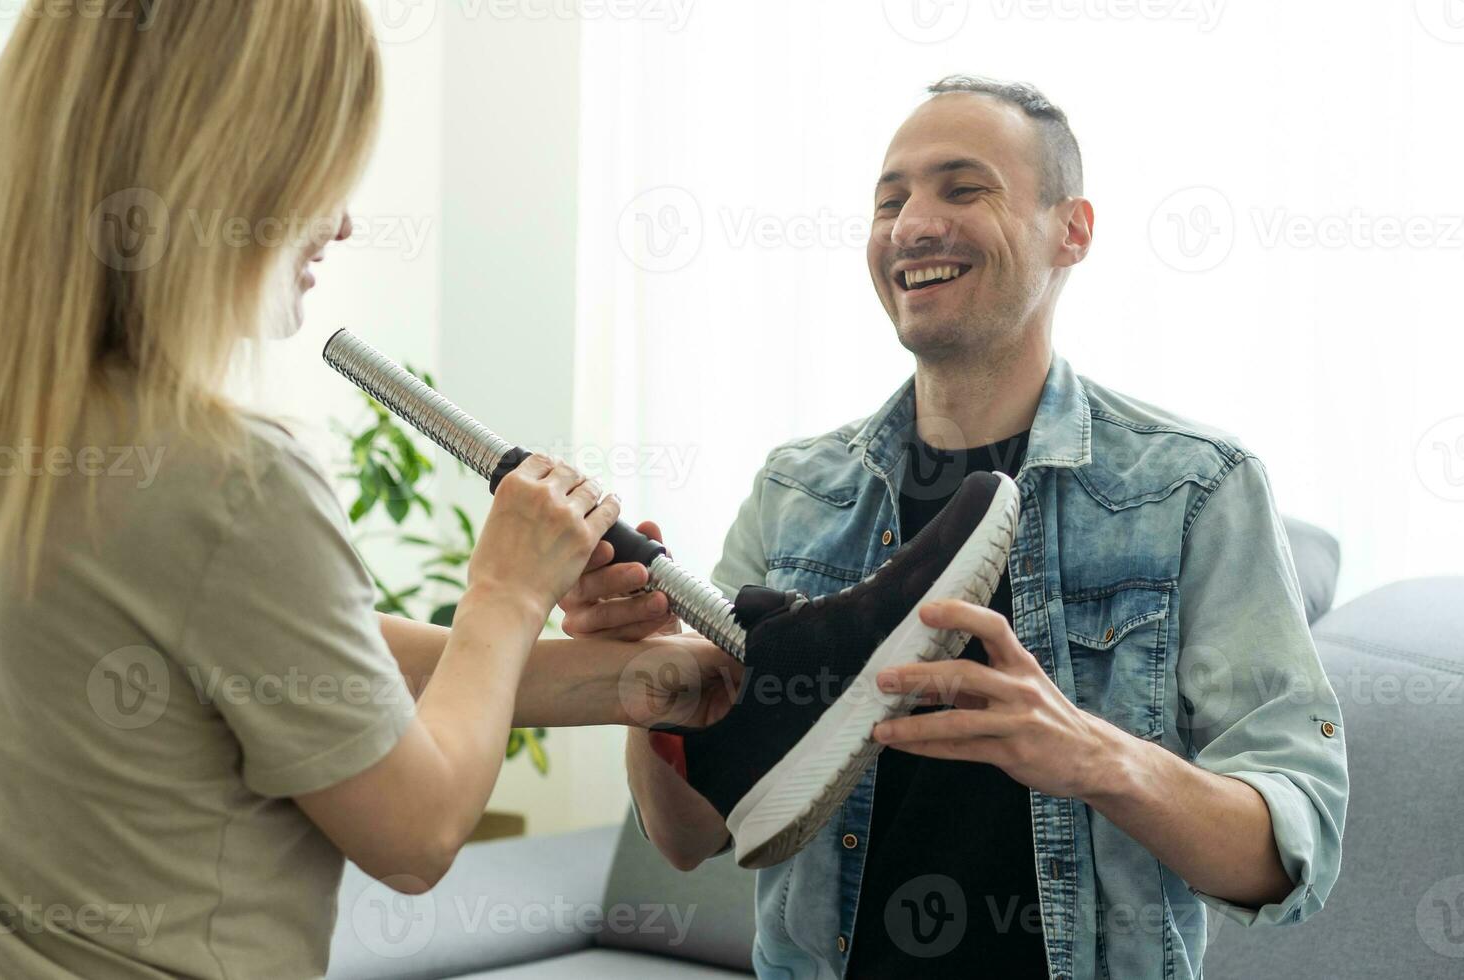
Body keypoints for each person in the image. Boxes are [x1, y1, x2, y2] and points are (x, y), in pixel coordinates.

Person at [0, 3, 735, 978]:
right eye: (323, 164)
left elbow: (306, 655)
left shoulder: (45, 435)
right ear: (223, 164)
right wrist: (505, 590)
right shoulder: (231, 480)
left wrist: (656, 678)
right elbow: (417, 831)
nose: (342, 220)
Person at [564, 76, 1349, 979]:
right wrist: (648, 674)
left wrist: (1091, 755)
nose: (912, 224)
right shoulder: (794, 493)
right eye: (889, 200)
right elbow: (687, 834)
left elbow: (1293, 850)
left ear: (1073, 230)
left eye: (962, 188)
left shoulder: (1195, 490)